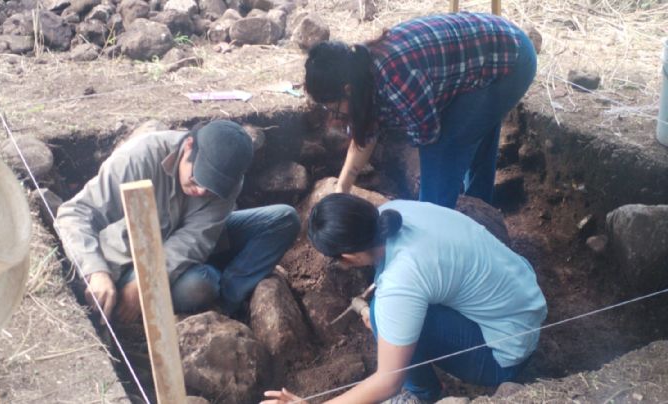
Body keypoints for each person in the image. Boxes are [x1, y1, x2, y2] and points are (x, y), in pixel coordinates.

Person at [263, 194, 547, 403]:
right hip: (525, 303)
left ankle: (423, 396)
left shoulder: (399, 285)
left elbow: (388, 381)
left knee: (380, 315)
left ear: (348, 257)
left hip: (504, 356)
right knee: (388, 316)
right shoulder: (393, 211)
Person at [55, 120, 300, 323]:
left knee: (283, 219)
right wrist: (96, 272)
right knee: (198, 285)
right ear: (188, 146)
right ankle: (207, 288)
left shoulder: (230, 180)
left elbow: (194, 240)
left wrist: (147, 284)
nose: (202, 192)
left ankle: (227, 303)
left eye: (212, 188)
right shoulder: (139, 158)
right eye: (196, 179)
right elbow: (74, 213)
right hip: (133, 260)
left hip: (195, 246)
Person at [305, 12, 537, 208]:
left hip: (510, 59)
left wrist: (426, 206)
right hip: (484, 55)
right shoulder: (360, 70)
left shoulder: (394, 78)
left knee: (447, 144)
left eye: (331, 106)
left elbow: (431, 141)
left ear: (347, 89)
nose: (333, 113)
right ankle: (478, 207)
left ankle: (438, 224)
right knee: (471, 129)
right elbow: (366, 133)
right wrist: (342, 188)